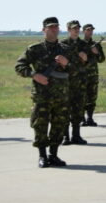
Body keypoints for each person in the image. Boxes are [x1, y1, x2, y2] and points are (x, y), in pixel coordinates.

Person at [14, 17, 72, 167]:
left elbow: (78, 70)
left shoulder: (66, 49)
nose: (54, 29)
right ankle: (42, 156)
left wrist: (68, 63)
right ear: (44, 30)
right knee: (40, 125)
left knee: (59, 125)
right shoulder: (35, 49)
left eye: (56, 27)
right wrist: (34, 75)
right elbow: (19, 66)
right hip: (42, 96)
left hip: (61, 95)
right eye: (50, 27)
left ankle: (54, 155)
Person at [60, 19, 89, 145]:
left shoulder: (83, 44)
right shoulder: (62, 44)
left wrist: (85, 59)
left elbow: (89, 63)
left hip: (80, 81)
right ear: (68, 30)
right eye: (74, 28)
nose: (76, 30)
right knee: (65, 110)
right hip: (66, 82)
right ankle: (65, 136)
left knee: (78, 110)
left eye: (78, 28)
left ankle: (76, 136)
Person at [80, 23, 105, 126]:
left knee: (92, 97)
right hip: (81, 75)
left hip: (93, 76)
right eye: (88, 30)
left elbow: (102, 59)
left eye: (91, 30)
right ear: (83, 31)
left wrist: (96, 53)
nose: (90, 32)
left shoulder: (96, 45)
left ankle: (90, 118)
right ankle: (82, 119)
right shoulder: (79, 44)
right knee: (81, 97)